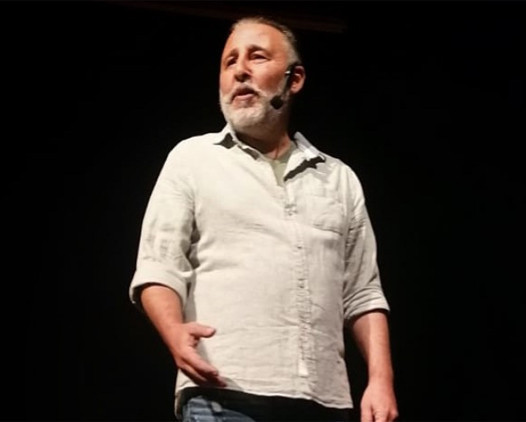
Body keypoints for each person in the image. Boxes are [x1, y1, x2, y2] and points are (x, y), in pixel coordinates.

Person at [128, 15, 398, 422]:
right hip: (224, 392)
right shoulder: (193, 159)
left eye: (257, 57)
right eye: (229, 62)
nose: (240, 70)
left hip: (324, 401)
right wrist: (174, 332)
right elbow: (158, 264)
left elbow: (362, 292)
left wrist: (380, 379)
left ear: (295, 79)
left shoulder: (338, 178)